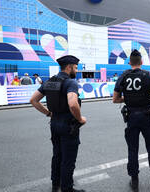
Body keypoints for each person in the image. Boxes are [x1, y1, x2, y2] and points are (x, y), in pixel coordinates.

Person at [30, 55, 87, 192]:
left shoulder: (49, 81)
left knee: (57, 155)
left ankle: (56, 183)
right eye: (75, 68)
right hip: (68, 125)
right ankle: (67, 188)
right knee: (68, 159)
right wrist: (80, 119)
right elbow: (73, 104)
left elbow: (33, 100)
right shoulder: (70, 83)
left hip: (54, 123)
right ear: (69, 67)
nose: (76, 71)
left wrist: (48, 113)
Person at [113, 50, 150, 191]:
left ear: (130, 62)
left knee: (133, 149)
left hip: (131, 117)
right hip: (147, 116)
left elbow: (115, 99)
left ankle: (134, 181)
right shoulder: (149, 76)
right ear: (141, 62)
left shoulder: (123, 76)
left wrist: (128, 98)